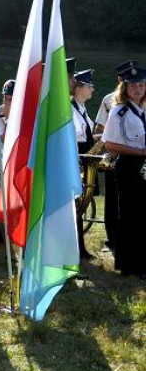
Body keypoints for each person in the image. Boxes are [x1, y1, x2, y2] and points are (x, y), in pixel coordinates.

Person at [102, 65, 146, 277]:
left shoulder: (142, 109)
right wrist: (140, 152)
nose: (138, 89)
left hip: (142, 165)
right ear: (125, 87)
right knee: (130, 214)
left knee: (142, 214)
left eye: (141, 85)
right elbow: (109, 143)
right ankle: (128, 265)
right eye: (133, 85)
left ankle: (140, 261)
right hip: (129, 165)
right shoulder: (119, 111)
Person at [96, 60, 139, 250]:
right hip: (116, 156)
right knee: (114, 201)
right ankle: (113, 238)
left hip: (138, 159)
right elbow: (100, 129)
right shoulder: (109, 100)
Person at [71, 68, 97, 260]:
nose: (93, 89)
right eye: (90, 86)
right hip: (77, 160)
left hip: (84, 158)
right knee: (75, 206)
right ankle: (76, 247)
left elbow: (85, 134)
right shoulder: (71, 109)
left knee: (80, 206)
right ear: (79, 88)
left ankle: (80, 246)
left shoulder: (81, 109)